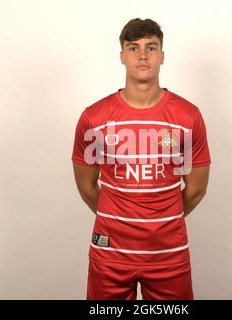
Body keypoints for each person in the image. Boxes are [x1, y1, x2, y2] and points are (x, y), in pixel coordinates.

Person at [71, 18, 211, 300]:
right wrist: (120, 220)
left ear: (162, 56)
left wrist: (160, 224)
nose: (143, 55)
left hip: (168, 255)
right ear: (122, 56)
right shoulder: (94, 117)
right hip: (110, 253)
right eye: (133, 48)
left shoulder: (188, 116)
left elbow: (195, 190)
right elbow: (87, 187)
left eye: (151, 47)